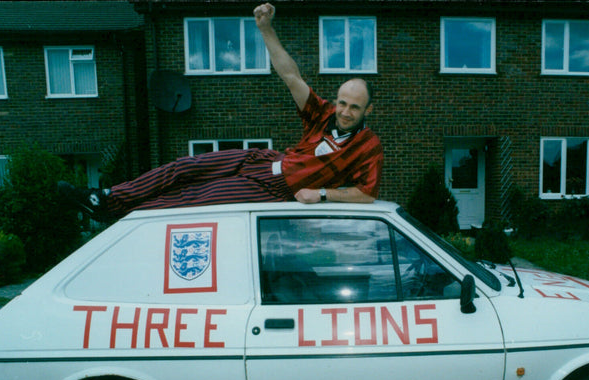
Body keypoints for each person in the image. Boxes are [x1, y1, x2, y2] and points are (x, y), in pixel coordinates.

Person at [60, 2, 383, 221]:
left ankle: (120, 219)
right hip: (265, 160)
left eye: (354, 107)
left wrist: (321, 194)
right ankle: (106, 197)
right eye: (342, 102)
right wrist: (265, 29)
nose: (345, 112)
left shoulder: (368, 147)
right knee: (184, 167)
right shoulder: (323, 113)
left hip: (275, 189)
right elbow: (290, 76)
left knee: (193, 197)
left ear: (368, 109)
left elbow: (367, 194)